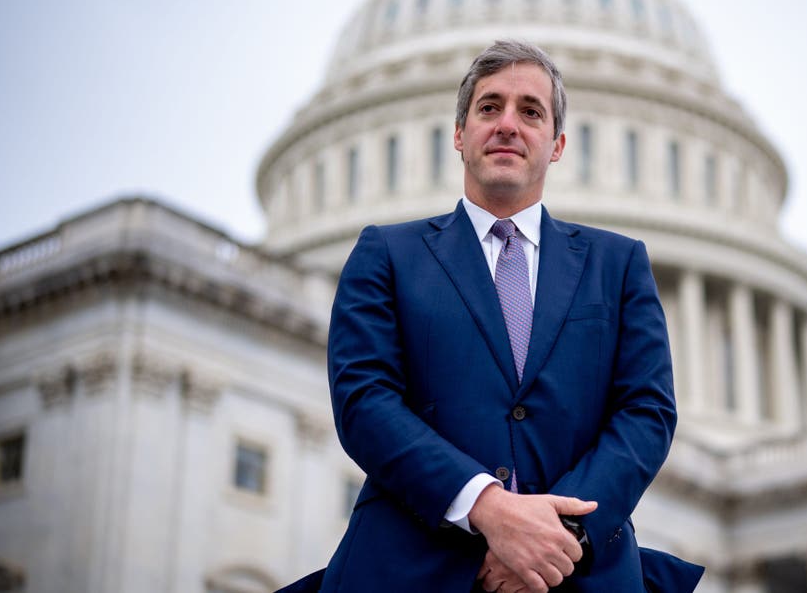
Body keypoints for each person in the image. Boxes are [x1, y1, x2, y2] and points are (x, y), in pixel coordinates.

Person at [277, 40, 702, 592]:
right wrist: (487, 508)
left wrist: (558, 536)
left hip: (575, 570)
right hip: (417, 566)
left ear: (557, 144)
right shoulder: (388, 253)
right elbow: (364, 399)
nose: (507, 124)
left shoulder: (617, 264)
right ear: (459, 135)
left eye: (530, 112)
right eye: (488, 107)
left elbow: (646, 411)